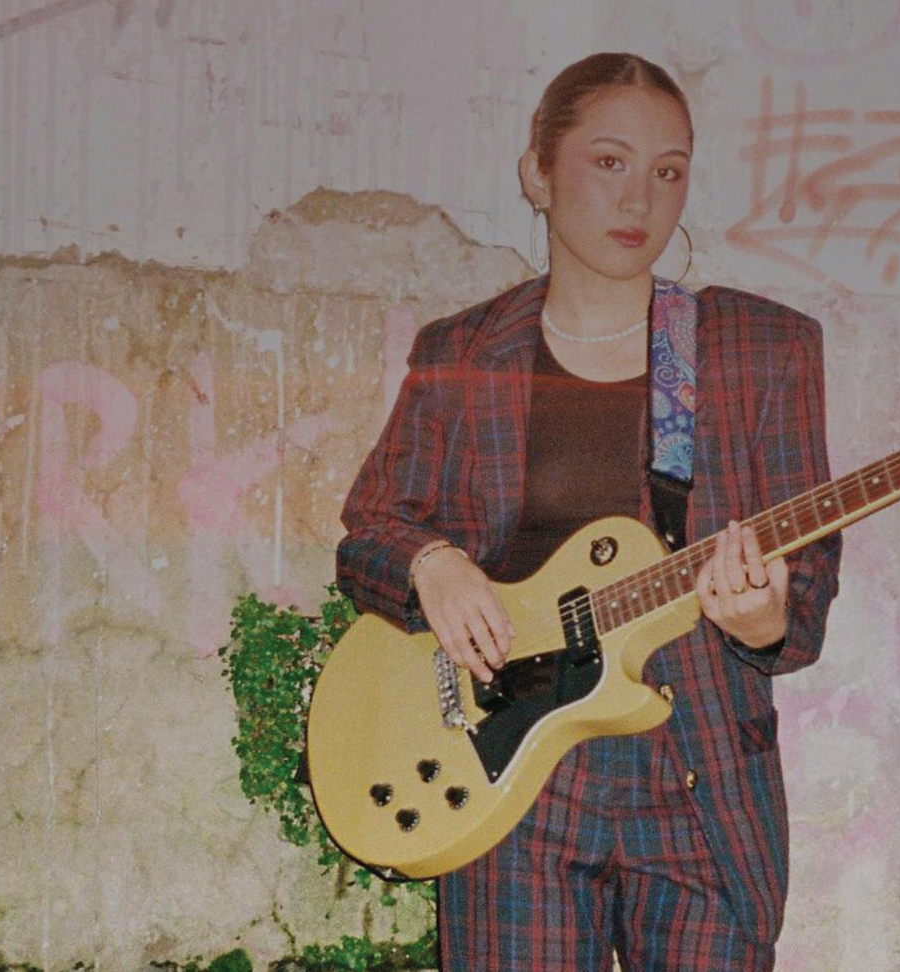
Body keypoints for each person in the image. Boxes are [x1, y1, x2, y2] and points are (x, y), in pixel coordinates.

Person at [336, 52, 841, 972]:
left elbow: (802, 598)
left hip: (699, 780)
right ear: (538, 173)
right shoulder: (462, 354)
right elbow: (370, 531)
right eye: (609, 162)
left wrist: (764, 622)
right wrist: (432, 566)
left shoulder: (763, 348)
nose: (639, 199)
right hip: (512, 779)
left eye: (668, 171)